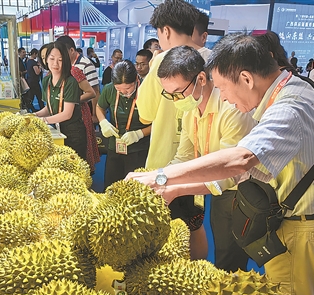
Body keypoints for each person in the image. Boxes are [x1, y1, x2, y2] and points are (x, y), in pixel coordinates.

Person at [127, 33, 314, 295]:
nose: (225, 98)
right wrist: (172, 188)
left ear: (246, 78)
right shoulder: (297, 89)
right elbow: (239, 175)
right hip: (302, 222)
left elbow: (240, 159)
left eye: (223, 88)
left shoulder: (292, 107)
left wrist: (160, 175)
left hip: (308, 229)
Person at [158, 45, 257, 271]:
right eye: (169, 94)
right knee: (219, 244)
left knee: (230, 260)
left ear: (201, 78)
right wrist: (159, 177)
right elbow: (183, 156)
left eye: (177, 92)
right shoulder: (189, 108)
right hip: (215, 189)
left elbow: (231, 172)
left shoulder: (232, 108)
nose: (175, 100)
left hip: (242, 193)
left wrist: (174, 188)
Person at [136, 0, 208, 259]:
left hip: (164, 162)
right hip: (204, 166)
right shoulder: (208, 58)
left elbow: (144, 114)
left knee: (165, 233)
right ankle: (198, 276)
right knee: (195, 225)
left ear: (165, 31)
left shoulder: (161, 62)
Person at [96, 60, 151, 188]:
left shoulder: (146, 90)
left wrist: (139, 134)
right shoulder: (109, 89)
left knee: (135, 190)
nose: (124, 93)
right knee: (111, 186)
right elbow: (99, 107)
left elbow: (159, 122)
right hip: (114, 146)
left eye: (127, 88)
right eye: (119, 89)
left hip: (139, 149)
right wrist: (103, 122)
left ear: (136, 80)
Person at [35, 42, 87, 159]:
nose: (55, 63)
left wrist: (43, 120)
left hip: (73, 134)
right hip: (56, 131)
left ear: (66, 62)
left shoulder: (70, 82)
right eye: (52, 59)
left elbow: (67, 114)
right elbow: (49, 107)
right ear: (46, 60)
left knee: (75, 170)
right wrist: (35, 115)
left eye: (60, 60)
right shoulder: (46, 81)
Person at [56, 36, 100, 123]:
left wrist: (95, 115)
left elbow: (95, 92)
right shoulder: (64, 65)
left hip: (82, 111)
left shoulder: (86, 64)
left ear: (71, 50)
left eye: (62, 53)